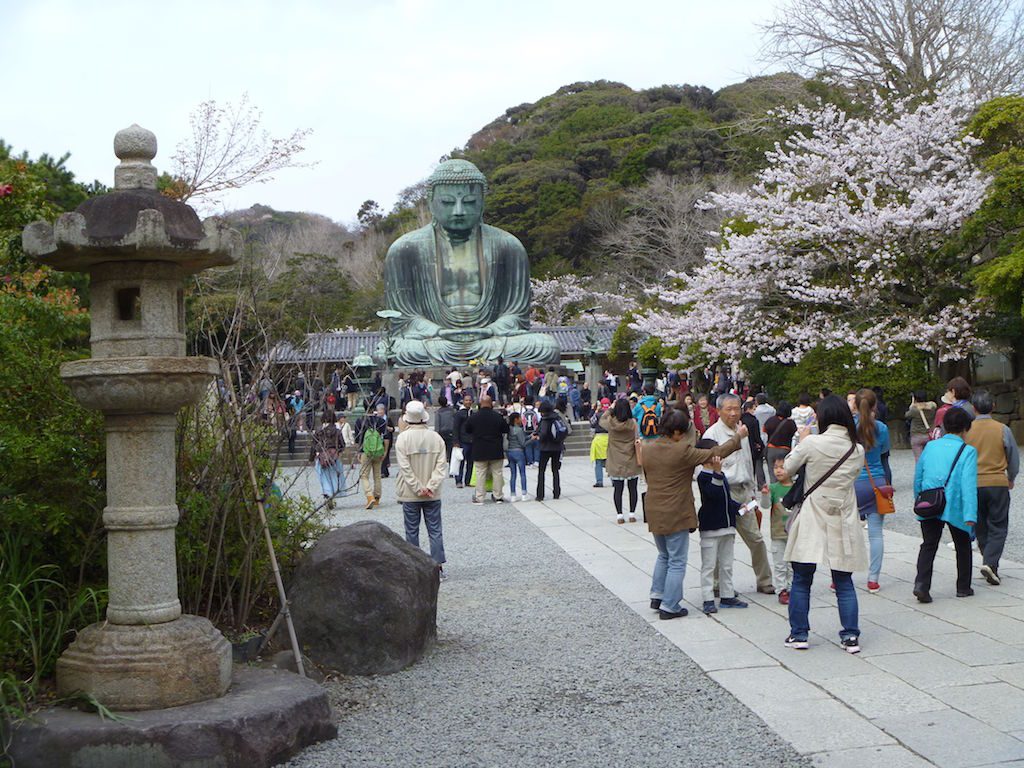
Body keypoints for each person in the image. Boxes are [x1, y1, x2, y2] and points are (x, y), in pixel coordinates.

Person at [638, 409, 745, 620]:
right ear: (677, 431)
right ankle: (670, 606)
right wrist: (738, 437)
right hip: (675, 510)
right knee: (677, 560)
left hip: (654, 508)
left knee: (663, 555)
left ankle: (657, 595)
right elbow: (716, 453)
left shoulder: (648, 448)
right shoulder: (682, 452)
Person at [783, 395, 866, 652]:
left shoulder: (813, 443)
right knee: (843, 580)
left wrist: (803, 440)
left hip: (813, 513)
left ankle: (799, 634)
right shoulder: (857, 449)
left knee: (801, 579)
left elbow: (786, 468)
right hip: (842, 514)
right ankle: (850, 635)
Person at [704, 394, 775, 594]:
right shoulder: (712, 434)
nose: (734, 413)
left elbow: (748, 461)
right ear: (718, 411)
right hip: (724, 493)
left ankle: (764, 580)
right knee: (723, 541)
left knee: (756, 538)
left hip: (743, 492)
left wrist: (752, 491)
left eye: (737, 408)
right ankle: (718, 584)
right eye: (729, 409)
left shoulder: (742, 430)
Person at [913, 406, 978, 602]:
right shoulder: (968, 451)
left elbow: (919, 476)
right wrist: (970, 514)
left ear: (944, 426)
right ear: (966, 428)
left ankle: (922, 585)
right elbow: (968, 484)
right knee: (963, 545)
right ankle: (963, 587)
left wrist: (919, 498)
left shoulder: (931, 446)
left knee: (929, 544)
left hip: (930, 500)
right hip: (954, 504)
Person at [965, 390, 1019, 586]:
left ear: (974, 407)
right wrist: (1011, 477)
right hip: (997, 481)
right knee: (998, 525)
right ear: (993, 407)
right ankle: (990, 562)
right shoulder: (1002, 429)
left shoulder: (967, 429)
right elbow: (1013, 456)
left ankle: (990, 564)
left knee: (980, 524)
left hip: (973, 483)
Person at [696, 438, 750, 615]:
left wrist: (737, 507)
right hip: (711, 527)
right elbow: (712, 494)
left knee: (727, 563)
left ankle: (727, 595)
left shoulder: (721, 475)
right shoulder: (703, 476)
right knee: (709, 565)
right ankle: (708, 597)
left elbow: (724, 498)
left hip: (727, 525)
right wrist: (718, 474)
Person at [395, 401, 449, 576]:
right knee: (435, 530)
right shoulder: (436, 438)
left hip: (411, 493)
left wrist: (418, 488)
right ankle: (437, 566)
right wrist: (430, 486)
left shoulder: (402, 439)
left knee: (411, 531)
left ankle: (415, 567)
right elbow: (441, 467)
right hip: (432, 494)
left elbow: (405, 469)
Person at [854, 388, 891, 594]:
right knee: (876, 535)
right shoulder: (882, 428)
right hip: (876, 480)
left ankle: (840, 577)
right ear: (875, 405)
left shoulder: (850, 426)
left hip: (854, 482)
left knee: (848, 534)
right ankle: (873, 579)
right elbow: (884, 451)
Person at [601, 398, 642, 524]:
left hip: (615, 458)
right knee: (633, 488)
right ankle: (632, 513)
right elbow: (637, 438)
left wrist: (610, 409)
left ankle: (619, 515)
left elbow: (601, 420)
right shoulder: (633, 423)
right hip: (631, 458)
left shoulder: (610, 423)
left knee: (617, 489)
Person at [466, 395, 509, 504]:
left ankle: (480, 497)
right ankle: (498, 496)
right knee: (497, 472)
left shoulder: (474, 417)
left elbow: (467, 429)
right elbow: (506, 429)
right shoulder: (497, 416)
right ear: (491, 404)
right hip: (495, 448)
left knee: (480, 473)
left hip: (479, 448)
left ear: (480, 403)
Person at [763, 457, 794, 604]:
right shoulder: (773, 488)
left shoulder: (796, 487)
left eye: (782, 467)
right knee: (780, 563)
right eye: (776, 467)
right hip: (778, 532)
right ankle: (782, 589)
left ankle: (792, 588)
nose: (778, 470)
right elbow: (765, 505)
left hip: (794, 533)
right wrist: (765, 494)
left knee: (792, 564)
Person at [309, 407, 345, 509]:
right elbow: (342, 445)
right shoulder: (337, 431)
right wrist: (338, 452)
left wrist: (312, 457)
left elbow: (314, 444)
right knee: (334, 477)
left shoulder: (319, 431)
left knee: (324, 477)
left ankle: (327, 493)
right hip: (334, 457)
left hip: (321, 457)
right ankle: (332, 494)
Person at [357, 403, 390, 509]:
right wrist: (385, 451)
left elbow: (358, 439)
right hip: (378, 451)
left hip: (365, 452)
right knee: (377, 475)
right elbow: (386, 437)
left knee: (364, 475)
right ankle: (377, 497)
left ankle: (369, 496)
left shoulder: (360, 421)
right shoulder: (380, 421)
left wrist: (359, 451)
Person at [535, 400, 569, 501]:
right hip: (557, 447)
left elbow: (543, 433)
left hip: (545, 448)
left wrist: (538, 437)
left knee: (541, 471)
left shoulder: (545, 419)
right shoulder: (557, 417)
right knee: (555, 471)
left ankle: (540, 494)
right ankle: (557, 492)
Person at [764, 401, 797, 472]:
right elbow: (795, 433)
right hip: (785, 449)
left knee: (772, 472)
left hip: (771, 449)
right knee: (784, 473)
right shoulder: (791, 423)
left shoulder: (770, 420)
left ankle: (773, 483)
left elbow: (764, 430)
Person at [906, 390, 938, 461]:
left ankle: (920, 471)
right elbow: (934, 405)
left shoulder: (914, 410)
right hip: (929, 435)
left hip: (916, 435)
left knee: (918, 459)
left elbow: (907, 415)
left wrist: (912, 404)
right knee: (929, 458)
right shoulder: (932, 408)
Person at [742, 399, 767, 487]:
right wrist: (762, 445)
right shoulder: (754, 420)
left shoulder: (740, 419)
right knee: (754, 466)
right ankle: (756, 485)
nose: (754, 411)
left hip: (742, 446)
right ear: (748, 409)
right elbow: (757, 436)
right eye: (753, 409)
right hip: (752, 447)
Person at [452, 394, 475, 489]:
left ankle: (468, 480)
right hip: (462, 440)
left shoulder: (473, 413)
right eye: (466, 400)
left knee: (471, 462)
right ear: (463, 401)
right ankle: (458, 480)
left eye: (470, 400)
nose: (468, 402)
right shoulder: (459, 414)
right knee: (460, 462)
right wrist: (456, 441)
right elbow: (455, 428)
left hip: (472, 440)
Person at [506, 412, 530, 501]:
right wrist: (532, 439)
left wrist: (529, 436)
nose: (521, 420)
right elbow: (523, 443)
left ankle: (513, 494)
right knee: (522, 473)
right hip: (518, 452)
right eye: (520, 418)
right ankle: (524, 493)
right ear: (516, 419)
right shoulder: (519, 430)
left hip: (510, 452)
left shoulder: (509, 429)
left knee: (513, 474)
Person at [590, 398, 610, 488]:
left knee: (598, 462)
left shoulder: (598, 414)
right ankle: (614, 479)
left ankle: (599, 481)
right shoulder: (612, 414)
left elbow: (592, 422)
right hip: (609, 438)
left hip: (599, 439)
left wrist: (595, 411)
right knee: (610, 461)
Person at [435, 395, 456, 463]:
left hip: (442, 432)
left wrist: (436, 433)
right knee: (450, 449)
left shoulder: (438, 412)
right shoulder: (452, 410)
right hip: (451, 431)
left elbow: (437, 424)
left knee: (442, 449)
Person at [521, 396, 541, 466]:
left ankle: (530, 461)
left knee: (527, 445)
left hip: (525, 430)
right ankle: (536, 460)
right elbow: (539, 420)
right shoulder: (535, 410)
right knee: (536, 445)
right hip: (535, 430)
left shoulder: (522, 410)